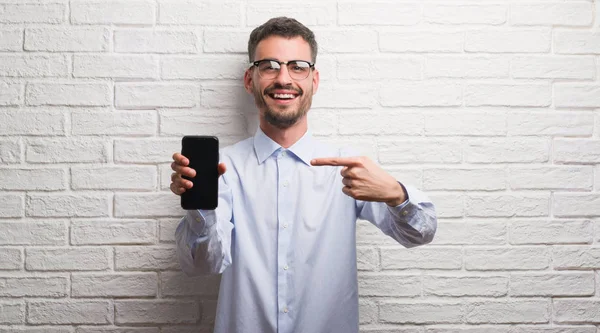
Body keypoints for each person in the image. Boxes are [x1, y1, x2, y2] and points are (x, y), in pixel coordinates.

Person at [171, 17, 437, 333]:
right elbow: (202, 265)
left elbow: (420, 233)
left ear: (314, 80)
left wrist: (396, 194)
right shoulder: (225, 170)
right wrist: (199, 206)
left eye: (297, 66)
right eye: (269, 65)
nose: (284, 78)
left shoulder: (346, 168)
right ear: (250, 79)